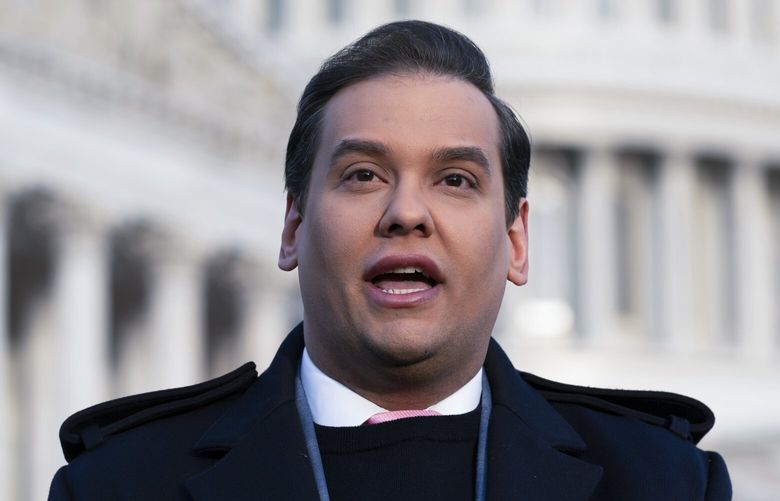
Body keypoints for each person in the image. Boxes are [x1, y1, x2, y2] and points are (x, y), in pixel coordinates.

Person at [49, 20, 731, 500]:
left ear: (517, 240)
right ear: (292, 225)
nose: (407, 211)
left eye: (456, 179)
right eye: (363, 175)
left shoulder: (662, 482)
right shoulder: (121, 482)